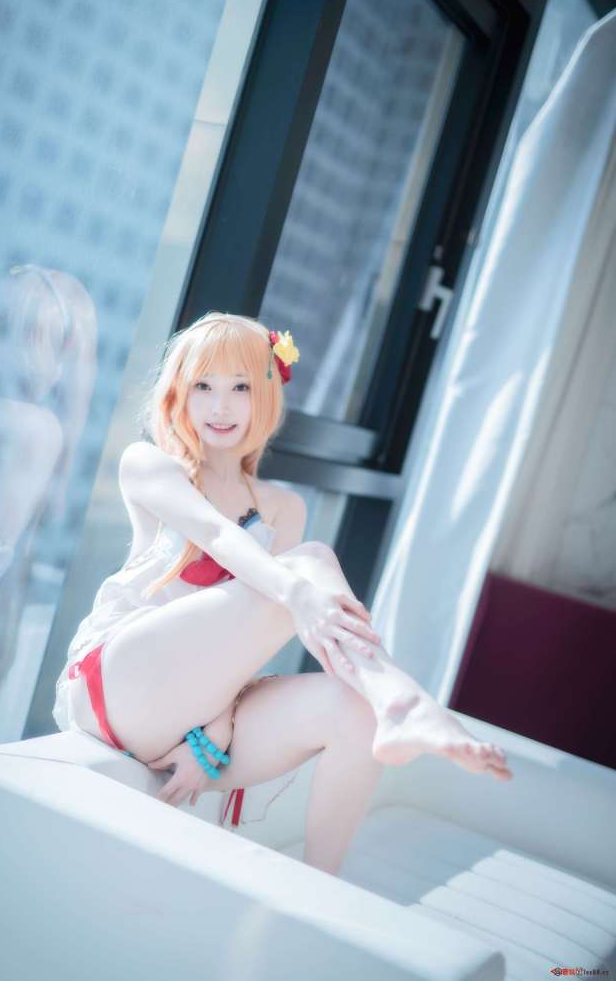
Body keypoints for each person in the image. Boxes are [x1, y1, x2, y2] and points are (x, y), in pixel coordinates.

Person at [53, 311, 512, 876]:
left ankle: (319, 886)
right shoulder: (150, 465)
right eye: (203, 386)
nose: (221, 406)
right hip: (120, 684)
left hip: (199, 714)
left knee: (352, 710)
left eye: (241, 387)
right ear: (178, 392)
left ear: (266, 394)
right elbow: (218, 536)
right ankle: (404, 700)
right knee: (310, 564)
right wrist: (298, 587)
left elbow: (245, 646)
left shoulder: (282, 508)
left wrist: (217, 727)